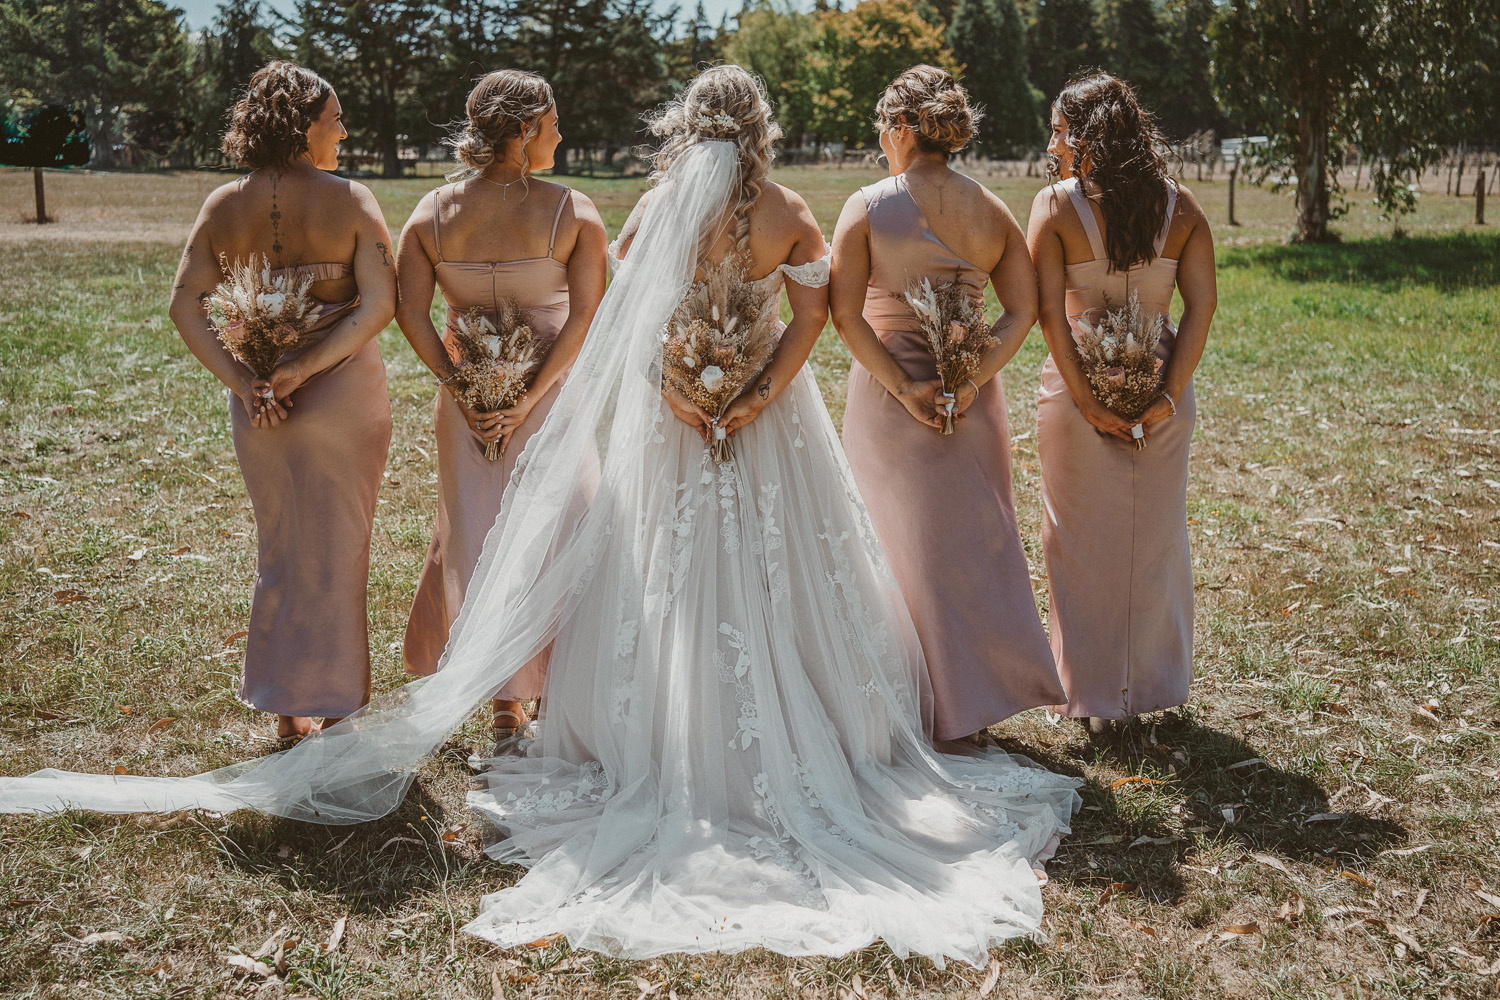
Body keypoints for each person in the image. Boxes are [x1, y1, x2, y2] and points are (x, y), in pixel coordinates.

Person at [1, 66, 1080, 966]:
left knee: (655, 568)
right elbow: (809, 313)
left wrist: (679, 391)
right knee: (782, 567)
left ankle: (584, 719)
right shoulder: (790, 211)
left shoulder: (655, 208)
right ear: (758, 134)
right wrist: (749, 396)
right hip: (761, 423)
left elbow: (631, 321)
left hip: (677, 416)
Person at [166, 61, 395, 749]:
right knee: (341, 548)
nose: (344, 132)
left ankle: (286, 713)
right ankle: (340, 708)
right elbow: (382, 305)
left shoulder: (221, 204)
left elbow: (184, 305)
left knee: (282, 546)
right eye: (335, 121)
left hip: (259, 406)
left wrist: (244, 380)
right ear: (303, 128)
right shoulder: (352, 201)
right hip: (340, 396)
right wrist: (307, 367)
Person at [831, 66, 1063, 744]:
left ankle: (909, 701)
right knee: (971, 546)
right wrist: (970, 376)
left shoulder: (870, 205)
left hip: (889, 396)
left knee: (891, 542)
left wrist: (906, 388)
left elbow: (846, 316)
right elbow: (1022, 308)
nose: (880, 139)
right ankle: (972, 706)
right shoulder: (992, 208)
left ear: (902, 128)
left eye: (882, 126)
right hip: (971, 402)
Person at [396, 70, 607, 744]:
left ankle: (503, 704)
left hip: (466, 408)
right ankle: (541, 695)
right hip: (547, 401)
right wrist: (526, 405)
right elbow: (582, 322)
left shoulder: (431, 213)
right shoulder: (573, 211)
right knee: (557, 536)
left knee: (475, 539)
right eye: (552, 122)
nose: (561, 134)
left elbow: (411, 313)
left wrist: (463, 388)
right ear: (523, 131)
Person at [1025, 72, 1217, 733]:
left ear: (1082, 138)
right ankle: (1152, 687)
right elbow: (1202, 306)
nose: (1051, 147)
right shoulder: (1182, 207)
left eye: (1057, 132)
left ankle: (1095, 695)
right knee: (1156, 543)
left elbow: (1049, 316)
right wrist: (1167, 397)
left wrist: (1088, 402)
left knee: (1076, 545)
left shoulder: (1054, 208)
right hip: (1163, 393)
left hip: (1076, 397)